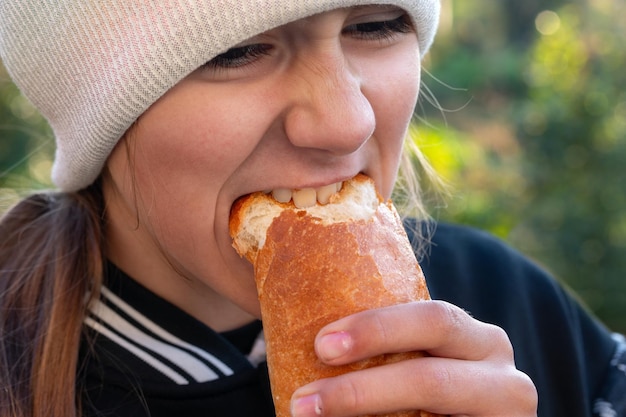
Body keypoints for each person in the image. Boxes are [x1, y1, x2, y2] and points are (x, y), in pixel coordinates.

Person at [0, 1, 623, 416]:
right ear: (95, 118)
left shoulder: (499, 296)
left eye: (376, 25)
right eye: (238, 50)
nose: (347, 122)